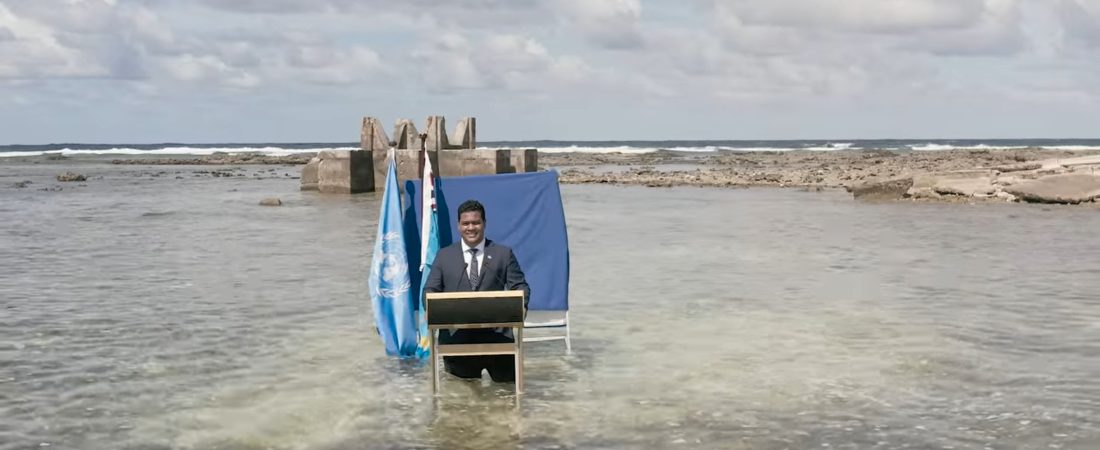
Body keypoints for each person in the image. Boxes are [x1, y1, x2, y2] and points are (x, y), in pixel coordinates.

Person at [424, 199, 530, 382]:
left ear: (484, 224)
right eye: (466, 223)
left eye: (476, 223)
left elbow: (520, 287)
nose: (471, 228)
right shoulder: (444, 256)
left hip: (498, 341)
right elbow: (430, 290)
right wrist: (435, 309)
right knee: (463, 401)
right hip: (457, 341)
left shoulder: (503, 254)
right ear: (458, 226)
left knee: (507, 397)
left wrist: (522, 306)